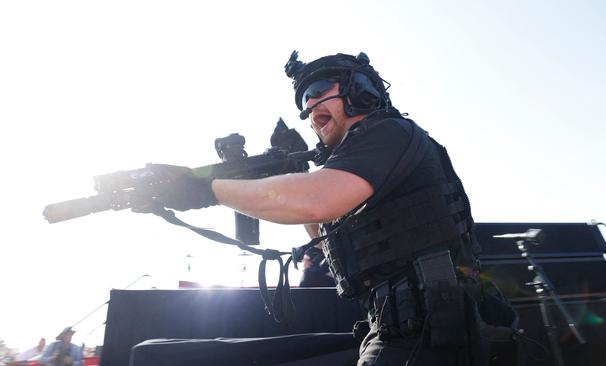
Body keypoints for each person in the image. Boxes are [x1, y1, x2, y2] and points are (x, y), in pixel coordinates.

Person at [143, 51, 513, 365]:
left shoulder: (389, 132)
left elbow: (313, 200)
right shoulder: (362, 168)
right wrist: (297, 173)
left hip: (433, 336)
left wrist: (205, 190)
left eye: (319, 91)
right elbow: (327, 237)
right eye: (304, 102)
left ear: (362, 91)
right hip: (400, 332)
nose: (310, 109)